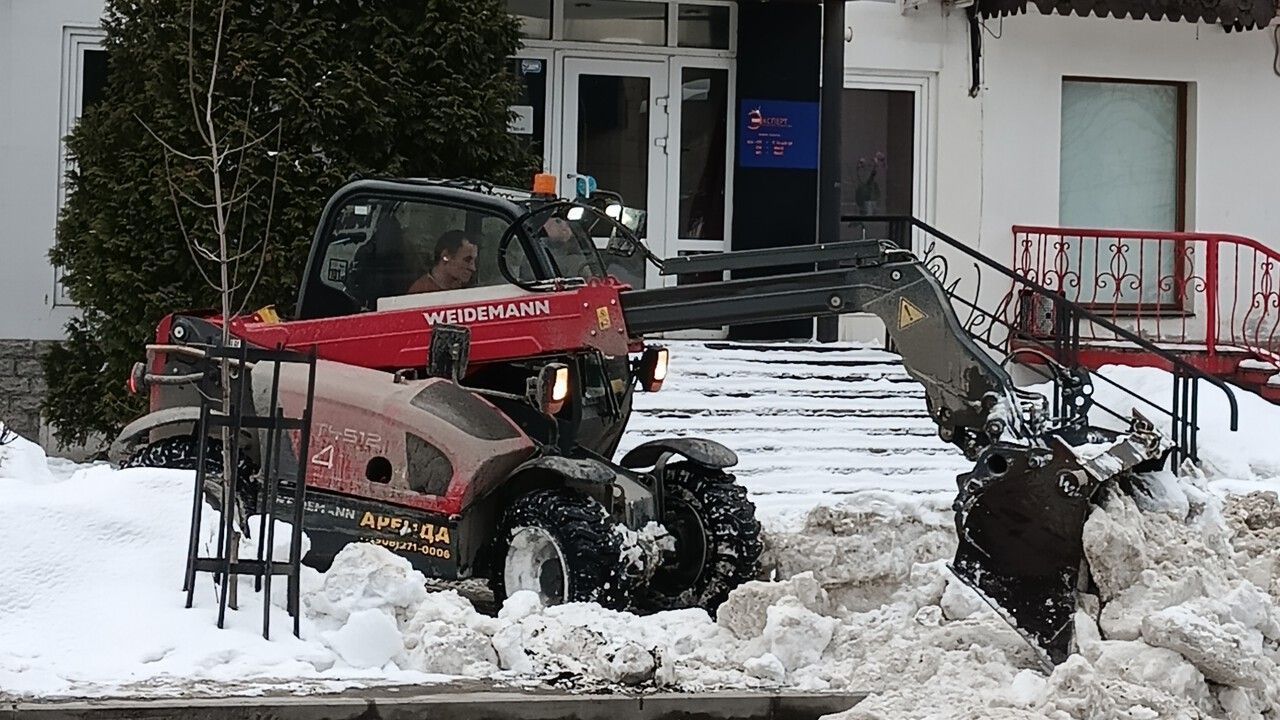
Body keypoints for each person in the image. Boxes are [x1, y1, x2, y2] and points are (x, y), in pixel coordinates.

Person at [408, 230, 478, 293]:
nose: (473, 268)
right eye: (467, 260)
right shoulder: (420, 292)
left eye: (474, 261)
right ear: (446, 256)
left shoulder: (463, 289)